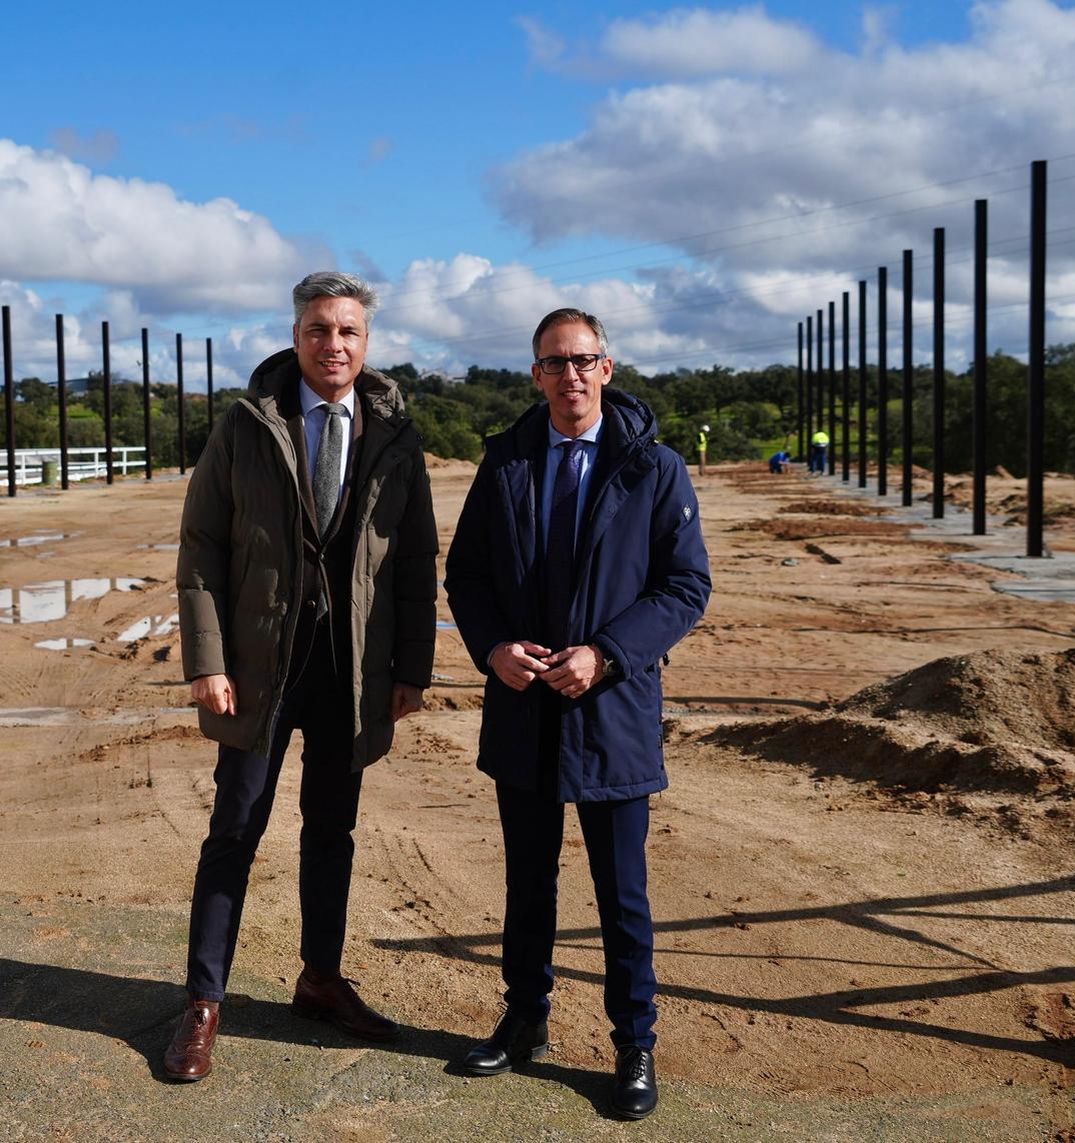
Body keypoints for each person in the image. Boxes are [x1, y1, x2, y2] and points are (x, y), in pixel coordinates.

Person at [164, 271, 438, 1082]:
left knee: (332, 831)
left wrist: (412, 666)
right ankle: (203, 1001)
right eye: (319, 329)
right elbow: (201, 547)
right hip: (259, 666)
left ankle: (320, 980)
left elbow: (416, 558)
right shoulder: (247, 426)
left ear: (366, 341)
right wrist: (208, 662)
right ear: (296, 335)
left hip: (352, 669)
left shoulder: (395, 433)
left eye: (348, 331)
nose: (334, 345)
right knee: (234, 830)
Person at [444, 308, 712, 1120]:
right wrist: (492, 648)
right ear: (535, 375)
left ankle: (635, 1044)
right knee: (528, 883)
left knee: (620, 890)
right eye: (554, 363)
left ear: (608, 367)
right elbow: (468, 577)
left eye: (583, 360)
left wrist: (606, 653)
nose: (570, 375)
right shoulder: (506, 464)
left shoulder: (653, 468)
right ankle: (525, 1019)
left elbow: (685, 585)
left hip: (612, 709)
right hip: (523, 706)